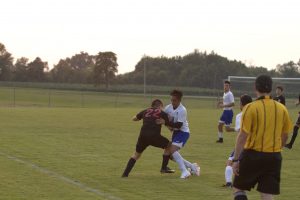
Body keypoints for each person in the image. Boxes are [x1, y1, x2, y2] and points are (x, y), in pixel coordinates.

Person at [232, 75, 293, 200]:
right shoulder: (282, 109)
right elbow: (285, 134)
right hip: (274, 157)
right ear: (271, 88)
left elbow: (243, 135)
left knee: (238, 187)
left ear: (255, 87)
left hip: (252, 155)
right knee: (267, 193)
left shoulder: (250, 107)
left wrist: (236, 159)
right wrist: (278, 148)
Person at [121, 99, 175, 177]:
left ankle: (125, 174)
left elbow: (134, 118)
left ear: (152, 105)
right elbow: (169, 126)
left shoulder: (145, 111)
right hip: (154, 136)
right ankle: (164, 168)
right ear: (160, 106)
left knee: (136, 155)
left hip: (143, 136)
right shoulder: (162, 113)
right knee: (169, 145)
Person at [158, 89, 200, 179]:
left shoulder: (182, 110)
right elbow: (162, 116)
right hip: (176, 132)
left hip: (183, 132)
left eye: (174, 100)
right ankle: (192, 167)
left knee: (172, 150)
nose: (172, 102)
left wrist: (165, 123)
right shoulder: (168, 108)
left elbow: (179, 125)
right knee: (171, 155)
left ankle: (184, 171)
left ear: (179, 100)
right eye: (171, 100)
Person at [223, 94, 252, 188]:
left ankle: (229, 183)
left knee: (230, 162)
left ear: (242, 104)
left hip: (244, 144)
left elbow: (241, 132)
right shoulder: (256, 114)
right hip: (256, 145)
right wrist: (230, 129)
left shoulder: (240, 115)